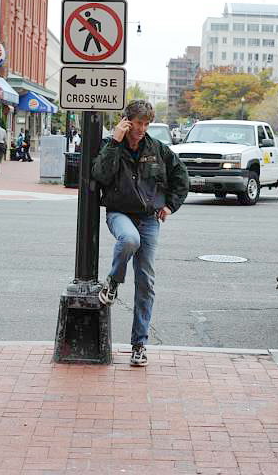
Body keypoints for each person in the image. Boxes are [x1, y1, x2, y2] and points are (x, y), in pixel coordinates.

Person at [92, 100, 189, 367]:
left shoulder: (157, 149)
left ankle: (139, 345)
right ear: (127, 121)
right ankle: (113, 281)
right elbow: (100, 175)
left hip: (149, 218)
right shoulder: (111, 145)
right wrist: (115, 142)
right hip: (119, 213)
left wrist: (170, 205)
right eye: (138, 123)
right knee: (129, 240)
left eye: (146, 124)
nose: (142, 129)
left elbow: (181, 176)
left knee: (146, 281)